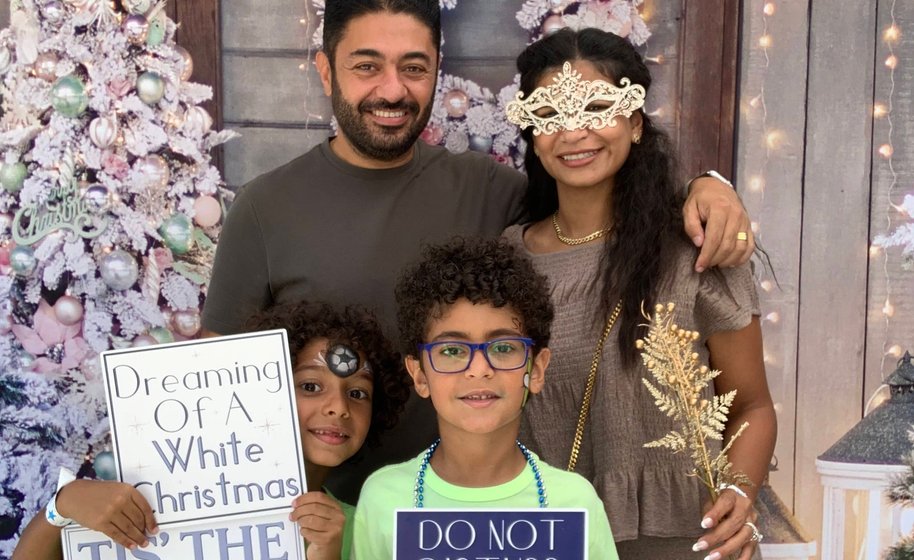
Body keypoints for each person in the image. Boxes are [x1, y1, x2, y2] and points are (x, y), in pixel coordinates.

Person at [201, 0, 757, 503]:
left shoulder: (495, 194)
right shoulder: (264, 206)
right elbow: (210, 393)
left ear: (437, 73)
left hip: (485, 514)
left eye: (413, 67)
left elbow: (597, 205)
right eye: (366, 65)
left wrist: (706, 188)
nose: (392, 90)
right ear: (326, 70)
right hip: (337, 515)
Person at [501, 27, 777, 560]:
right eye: (552, 115)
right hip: (550, 541)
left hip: (694, 542)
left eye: (598, 107)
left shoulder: (694, 246)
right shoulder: (507, 263)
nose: (574, 131)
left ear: (634, 122)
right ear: (533, 133)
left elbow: (751, 403)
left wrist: (741, 493)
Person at [12, 301, 410, 560]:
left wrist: (325, 553)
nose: (338, 407)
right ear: (261, 385)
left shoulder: (365, 525)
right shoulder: (167, 496)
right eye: (309, 386)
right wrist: (60, 507)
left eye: (358, 393)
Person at [352, 237, 618, 558]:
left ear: (536, 370)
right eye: (451, 350)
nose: (479, 369)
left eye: (503, 348)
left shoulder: (576, 502)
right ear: (420, 375)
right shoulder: (383, 498)